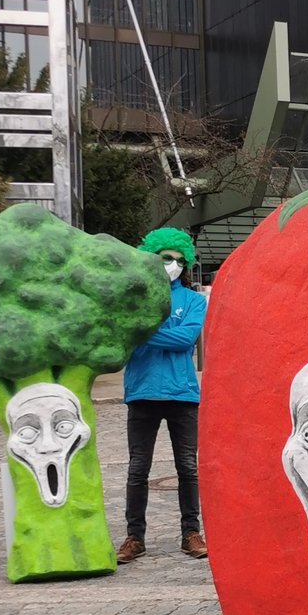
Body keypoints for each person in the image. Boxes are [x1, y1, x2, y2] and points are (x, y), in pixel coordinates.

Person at [116, 228, 208, 564]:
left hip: (182, 395)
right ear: (152, 257)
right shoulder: (135, 299)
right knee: (138, 469)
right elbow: (125, 334)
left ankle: (190, 533)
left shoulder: (194, 301)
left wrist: (145, 331)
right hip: (142, 392)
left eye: (180, 260)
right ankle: (134, 537)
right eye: (166, 258)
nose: (173, 265)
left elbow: (185, 341)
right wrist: (152, 331)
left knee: (188, 467)